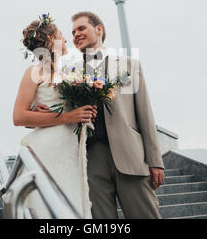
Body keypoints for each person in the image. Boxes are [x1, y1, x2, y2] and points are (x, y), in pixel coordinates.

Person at [36, 11, 165, 219]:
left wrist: (155, 161)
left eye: (81, 28)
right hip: (91, 159)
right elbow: (65, 111)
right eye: (73, 31)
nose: (76, 34)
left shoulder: (129, 65)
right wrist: (40, 111)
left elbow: (145, 114)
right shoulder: (68, 72)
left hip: (130, 156)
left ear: (98, 29)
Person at [11, 15, 95, 218]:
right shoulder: (34, 72)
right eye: (61, 35)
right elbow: (19, 116)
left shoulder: (69, 73)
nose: (66, 40)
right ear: (50, 39)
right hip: (47, 148)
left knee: (71, 202)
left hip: (70, 147)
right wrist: (69, 117)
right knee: (48, 207)